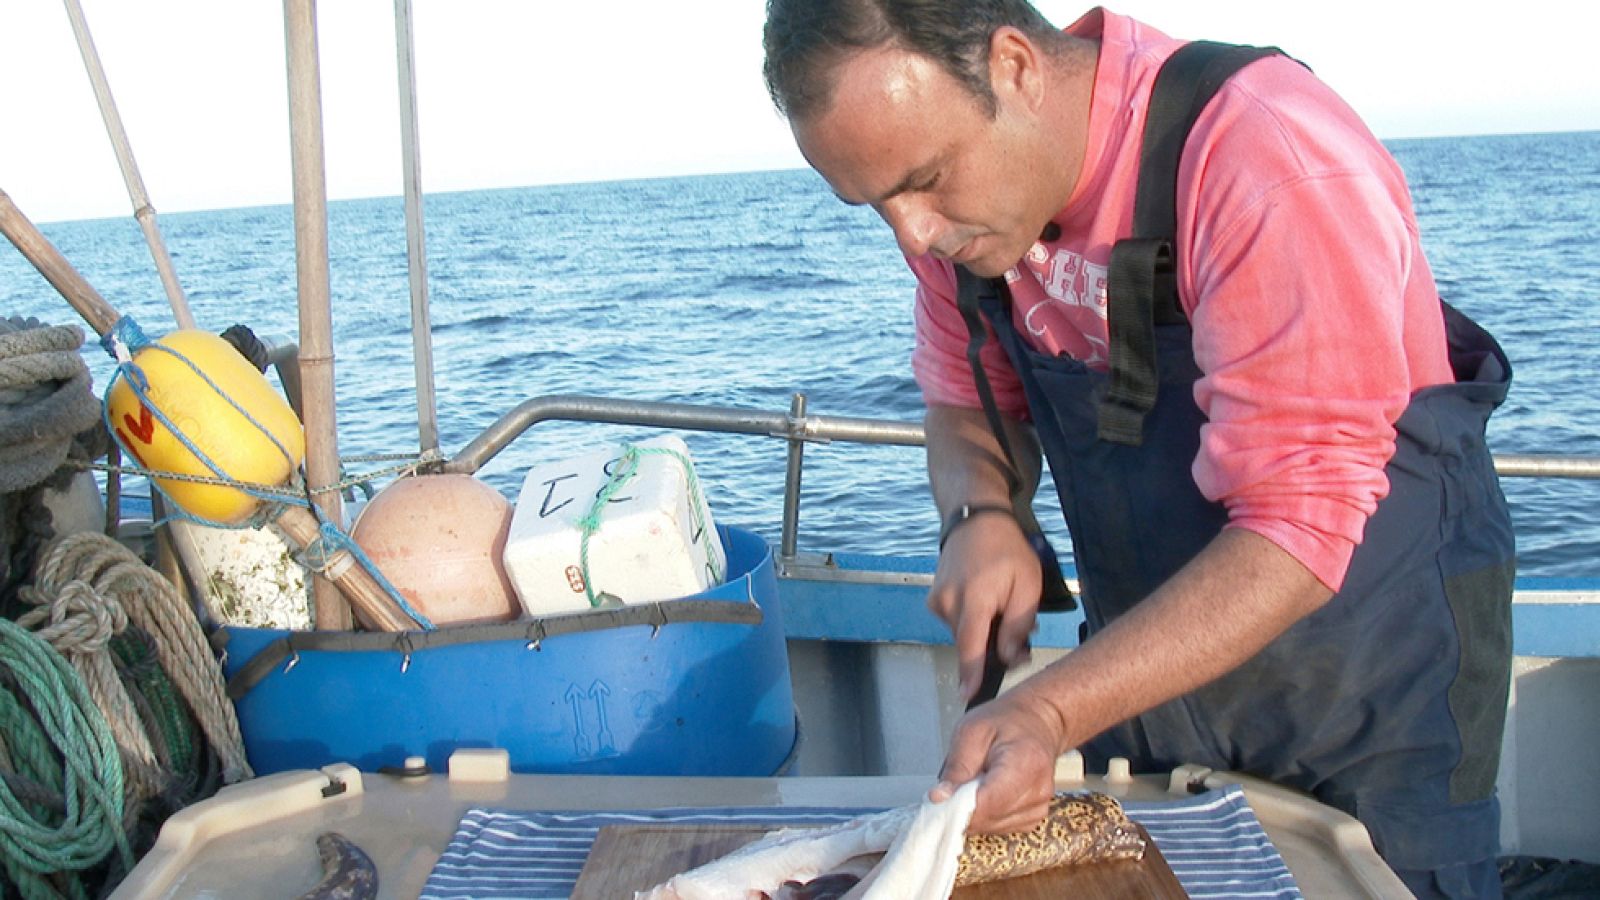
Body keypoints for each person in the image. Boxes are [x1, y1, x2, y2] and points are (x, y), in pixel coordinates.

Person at [762, 2, 1516, 897]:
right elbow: (965, 396)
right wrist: (981, 512)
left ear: (1013, 66)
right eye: (876, 202)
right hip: (1147, 699)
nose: (913, 236)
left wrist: (1045, 706)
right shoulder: (954, 222)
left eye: (925, 179)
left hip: (1373, 703)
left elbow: (1301, 524)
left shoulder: (1264, 159)